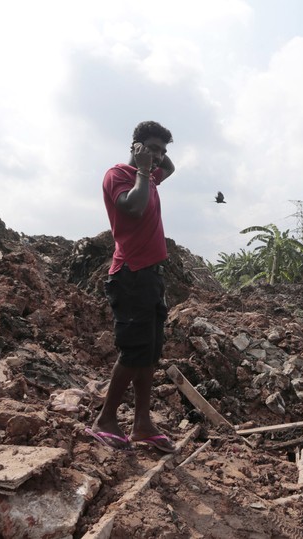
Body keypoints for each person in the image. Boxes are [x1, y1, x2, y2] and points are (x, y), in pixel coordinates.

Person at [86, 120, 177, 453]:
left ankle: (142, 424)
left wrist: (152, 159)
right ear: (136, 147)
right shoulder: (120, 176)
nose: (158, 157)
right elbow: (134, 207)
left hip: (150, 276)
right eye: (152, 148)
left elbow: (170, 166)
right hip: (130, 274)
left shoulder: (150, 175)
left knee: (150, 353)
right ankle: (106, 420)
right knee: (133, 351)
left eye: (162, 150)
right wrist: (141, 166)